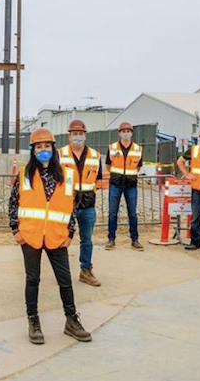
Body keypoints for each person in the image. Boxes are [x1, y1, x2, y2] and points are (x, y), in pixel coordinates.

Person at [11, 127, 92, 344]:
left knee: (65, 281)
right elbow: (13, 202)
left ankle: (71, 320)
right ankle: (33, 321)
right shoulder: (24, 174)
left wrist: (70, 233)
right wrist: (15, 230)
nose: (43, 150)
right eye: (39, 146)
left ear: (53, 148)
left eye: (47, 146)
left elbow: (71, 207)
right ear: (33, 150)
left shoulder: (66, 175)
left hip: (57, 236)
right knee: (32, 279)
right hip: (31, 235)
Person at [58, 119, 102, 286]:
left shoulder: (95, 156)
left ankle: (86, 270)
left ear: (85, 136)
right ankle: (61, 272)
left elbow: (97, 180)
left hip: (88, 205)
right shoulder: (60, 154)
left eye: (81, 134)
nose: (78, 136)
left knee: (87, 240)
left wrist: (90, 193)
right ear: (69, 136)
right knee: (61, 238)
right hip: (66, 204)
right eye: (75, 133)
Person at [104, 122, 143, 251]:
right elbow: (108, 165)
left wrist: (129, 175)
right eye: (123, 131)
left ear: (132, 133)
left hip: (131, 185)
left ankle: (135, 239)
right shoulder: (112, 148)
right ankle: (111, 239)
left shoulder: (137, 149)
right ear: (119, 133)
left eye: (128, 131)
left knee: (132, 213)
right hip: (115, 184)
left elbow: (138, 166)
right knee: (112, 213)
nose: (126, 133)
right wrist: (117, 175)